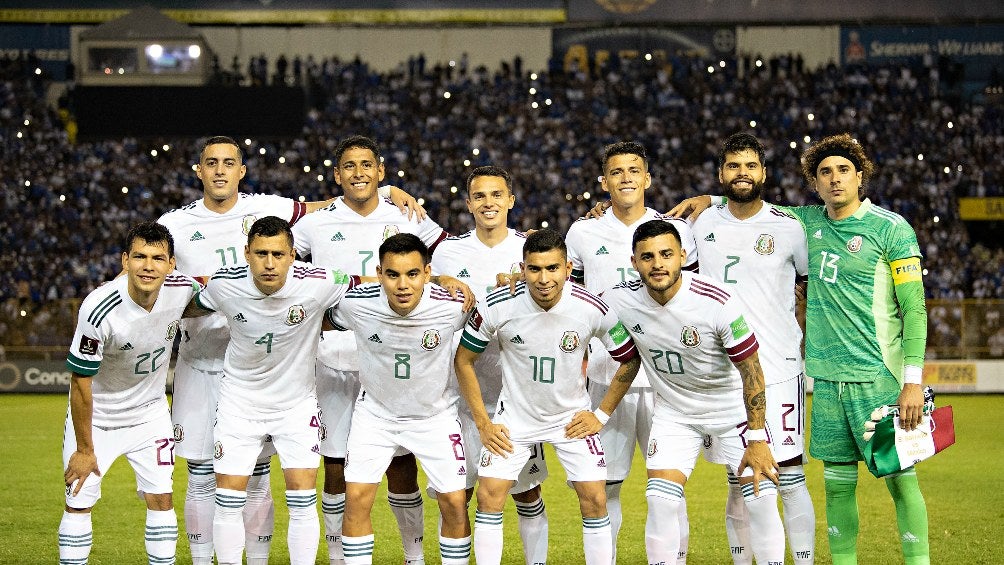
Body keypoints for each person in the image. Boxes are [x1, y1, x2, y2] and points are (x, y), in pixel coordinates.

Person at [159, 135, 421, 565]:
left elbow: (329, 208)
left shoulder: (268, 208)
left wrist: (386, 191)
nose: (221, 170)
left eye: (229, 162)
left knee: (265, 478)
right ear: (199, 170)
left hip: (280, 375)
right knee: (203, 477)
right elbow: (158, 280)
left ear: (242, 171)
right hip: (204, 365)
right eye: (212, 162)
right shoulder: (175, 224)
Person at [672, 133, 930, 565]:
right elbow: (748, 205)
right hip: (825, 379)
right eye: (825, 172)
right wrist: (711, 200)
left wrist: (912, 381)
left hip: (879, 377)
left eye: (844, 170)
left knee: (901, 480)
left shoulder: (891, 228)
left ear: (860, 176)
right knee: (837, 485)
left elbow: (915, 310)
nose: (835, 179)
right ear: (815, 182)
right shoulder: (804, 222)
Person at [291, 134, 447, 565]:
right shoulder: (315, 224)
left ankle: (414, 556)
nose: (358, 173)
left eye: (366, 165)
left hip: (394, 361)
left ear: (380, 171)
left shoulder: (406, 214)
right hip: (334, 359)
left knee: (401, 466)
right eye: (349, 166)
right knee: (336, 466)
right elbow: (281, 260)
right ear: (336, 174)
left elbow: (453, 252)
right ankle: (338, 558)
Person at [601, 219, 786, 564]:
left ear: (683, 256)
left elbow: (752, 371)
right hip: (676, 414)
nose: (658, 264)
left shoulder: (716, 300)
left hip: (733, 412)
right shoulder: (618, 299)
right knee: (660, 500)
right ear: (634, 262)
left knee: (760, 496)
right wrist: (521, 282)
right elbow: (567, 298)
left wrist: (757, 438)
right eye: (647, 257)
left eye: (666, 254)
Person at [455, 229, 641, 565]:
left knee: (595, 498)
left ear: (568, 268)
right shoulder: (497, 304)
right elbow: (463, 360)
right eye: (535, 269)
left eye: (552, 268)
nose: (544, 279)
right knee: (489, 495)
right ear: (522, 269)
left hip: (571, 419)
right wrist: (484, 423)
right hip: (515, 420)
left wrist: (600, 415)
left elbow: (629, 358)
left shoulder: (591, 307)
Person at [184, 216, 360, 565]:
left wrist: (441, 281)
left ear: (293, 255)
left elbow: (371, 282)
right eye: (261, 253)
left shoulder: (320, 282)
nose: (269, 263)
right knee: (228, 500)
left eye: (278, 254)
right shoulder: (224, 284)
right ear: (246, 253)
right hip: (239, 404)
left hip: (296, 406)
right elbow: (183, 304)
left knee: (302, 500)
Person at [564, 141, 697, 563]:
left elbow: (691, 297)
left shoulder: (676, 230)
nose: (626, 178)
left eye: (633, 170)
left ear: (647, 179)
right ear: (604, 182)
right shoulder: (582, 232)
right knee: (604, 487)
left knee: (669, 490)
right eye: (616, 171)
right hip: (606, 378)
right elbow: (573, 300)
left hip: (665, 383)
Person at [693, 133, 815, 564]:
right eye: (733, 166)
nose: (742, 173)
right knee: (738, 478)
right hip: (722, 373)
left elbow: (809, 289)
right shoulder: (699, 224)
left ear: (763, 173)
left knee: (790, 477)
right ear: (720, 174)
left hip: (778, 368)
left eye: (750, 166)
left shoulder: (789, 227)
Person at [323, 233, 472, 565]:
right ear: (379, 274)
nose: (403, 284)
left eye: (412, 274)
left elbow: (496, 314)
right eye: (392, 274)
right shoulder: (356, 304)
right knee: (356, 499)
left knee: (453, 502)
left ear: (427, 273)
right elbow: (318, 320)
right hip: (375, 417)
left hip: (435, 417)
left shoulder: (452, 306)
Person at [60, 222, 199, 565]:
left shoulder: (182, 289)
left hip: (150, 415)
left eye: (157, 258)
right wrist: (84, 449)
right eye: (139, 257)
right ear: (125, 261)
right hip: (99, 419)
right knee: (79, 501)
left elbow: (214, 292)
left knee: (161, 499)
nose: (148, 266)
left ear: (171, 264)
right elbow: (80, 382)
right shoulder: (99, 307)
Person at [430, 166, 549, 564]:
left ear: (510, 200)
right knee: (456, 494)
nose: (488, 203)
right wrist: (441, 281)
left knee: (526, 492)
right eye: (479, 196)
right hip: (460, 395)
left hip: (516, 395)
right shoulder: (448, 252)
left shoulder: (530, 249)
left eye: (497, 194)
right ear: (468, 204)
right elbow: (423, 292)